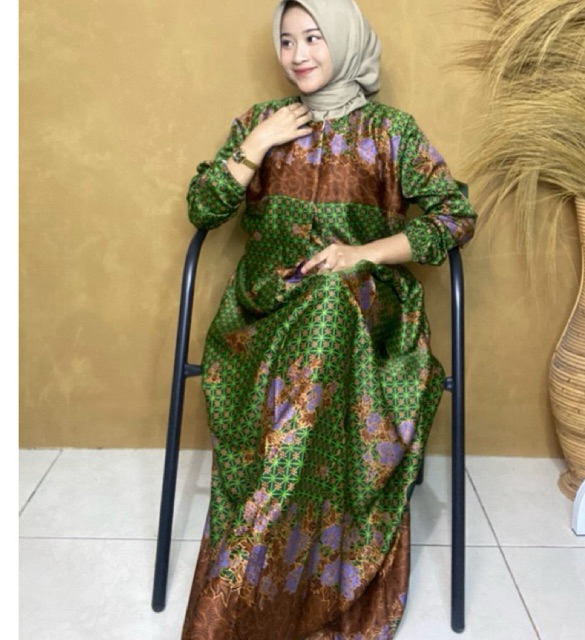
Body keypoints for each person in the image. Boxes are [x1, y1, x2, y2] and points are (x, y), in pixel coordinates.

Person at [181, 0, 476, 637]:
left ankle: (271, 586)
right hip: (264, 310)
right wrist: (256, 146)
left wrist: (361, 254)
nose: (299, 54)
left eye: (314, 37)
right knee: (317, 303)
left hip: (365, 309)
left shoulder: (391, 131)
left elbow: (455, 218)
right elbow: (203, 210)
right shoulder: (260, 121)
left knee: (330, 299)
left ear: (344, 39)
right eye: (287, 41)